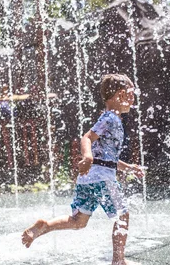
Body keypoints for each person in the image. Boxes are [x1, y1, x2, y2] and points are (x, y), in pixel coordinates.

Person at [21, 73, 145, 265]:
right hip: (102, 178)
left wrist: (127, 167)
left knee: (78, 221)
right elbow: (87, 137)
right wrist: (87, 157)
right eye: (130, 93)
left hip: (89, 179)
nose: (133, 98)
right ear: (119, 95)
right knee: (122, 214)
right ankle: (119, 260)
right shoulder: (110, 118)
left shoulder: (112, 119)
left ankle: (45, 226)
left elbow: (106, 157)